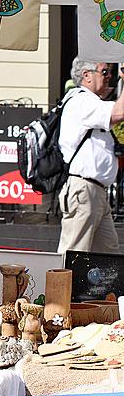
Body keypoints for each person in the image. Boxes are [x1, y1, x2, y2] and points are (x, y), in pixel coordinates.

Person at [57, 58, 124, 254]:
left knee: (108, 256)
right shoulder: (81, 99)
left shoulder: (90, 101)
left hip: (95, 192)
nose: (109, 76)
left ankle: (107, 286)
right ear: (86, 76)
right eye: (105, 72)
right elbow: (119, 112)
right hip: (84, 190)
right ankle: (59, 286)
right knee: (73, 253)